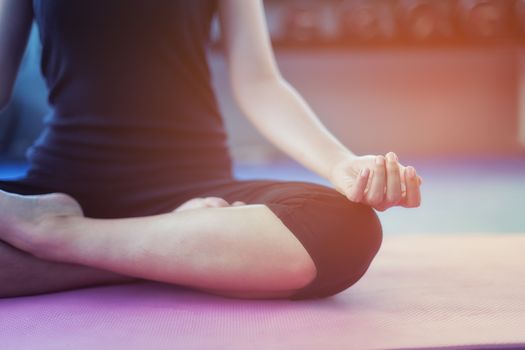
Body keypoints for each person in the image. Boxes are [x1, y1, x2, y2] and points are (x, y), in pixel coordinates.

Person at [0, 0, 422, 300]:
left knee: (343, 228)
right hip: (60, 187)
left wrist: (341, 164)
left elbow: (259, 83)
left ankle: (58, 236)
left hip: (197, 190)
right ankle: (187, 254)